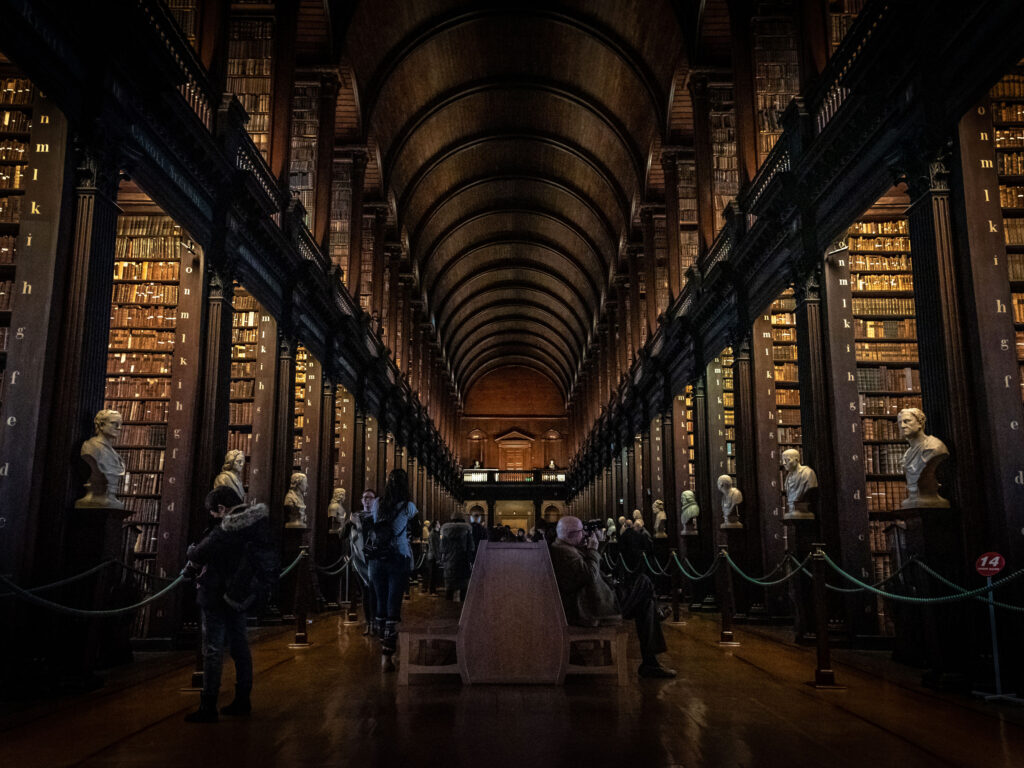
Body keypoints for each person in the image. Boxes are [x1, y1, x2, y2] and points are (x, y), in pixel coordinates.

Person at [181, 485, 276, 722]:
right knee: (240, 646)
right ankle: (243, 699)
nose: (213, 518)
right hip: (239, 594)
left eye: (213, 513)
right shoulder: (257, 523)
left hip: (216, 593)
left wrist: (191, 550)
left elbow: (199, 554)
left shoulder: (227, 528)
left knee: (212, 649)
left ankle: (208, 704)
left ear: (222, 509)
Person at [549, 516, 675, 678]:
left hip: (595, 601)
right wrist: (593, 550)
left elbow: (588, 568)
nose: (584, 535)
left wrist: (598, 546)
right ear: (571, 534)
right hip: (593, 608)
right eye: (581, 532)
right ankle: (651, 661)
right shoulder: (563, 553)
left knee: (645, 603)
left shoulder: (562, 547)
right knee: (643, 583)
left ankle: (651, 662)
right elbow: (588, 574)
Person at [367, 469, 419, 671]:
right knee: (393, 606)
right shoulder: (409, 507)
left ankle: (383, 649)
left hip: (378, 558)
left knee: (380, 603)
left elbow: (374, 523)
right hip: (399, 557)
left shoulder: (378, 503)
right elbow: (412, 530)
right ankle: (387, 655)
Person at [897, 407, 951, 508]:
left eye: (907, 421)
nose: (903, 426)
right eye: (900, 423)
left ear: (919, 423)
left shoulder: (935, 447)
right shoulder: (907, 454)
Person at [76, 409, 126, 509]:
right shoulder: (90, 448)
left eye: (120, 424)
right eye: (114, 424)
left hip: (109, 500)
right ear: (101, 425)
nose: (119, 428)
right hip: (94, 500)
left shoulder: (115, 454)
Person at [345, 489, 377, 633]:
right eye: (365, 498)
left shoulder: (378, 517)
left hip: (374, 558)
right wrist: (349, 523)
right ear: (361, 500)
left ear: (375, 500)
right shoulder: (356, 517)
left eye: (370, 498)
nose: (367, 500)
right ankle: (369, 622)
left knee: (375, 591)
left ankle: (376, 621)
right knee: (366, 591)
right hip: (359, 560)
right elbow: (342, 535)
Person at [439, 511, 475, 602]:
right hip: (463, 560)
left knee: (449, 587)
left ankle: (448, 607)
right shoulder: (467, 530)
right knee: (463, 586)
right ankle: (462, 610)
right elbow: (471, 547)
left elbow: (442, 547)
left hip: (449, 561)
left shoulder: (445, 530)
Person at [781, 449, 817, 519]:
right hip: (793, 510)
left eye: (787, 460)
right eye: (783, 460)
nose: (784, 463)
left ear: (796, 460)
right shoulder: (788, 477)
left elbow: (811, 490)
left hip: (804, 510)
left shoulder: (808, 473)